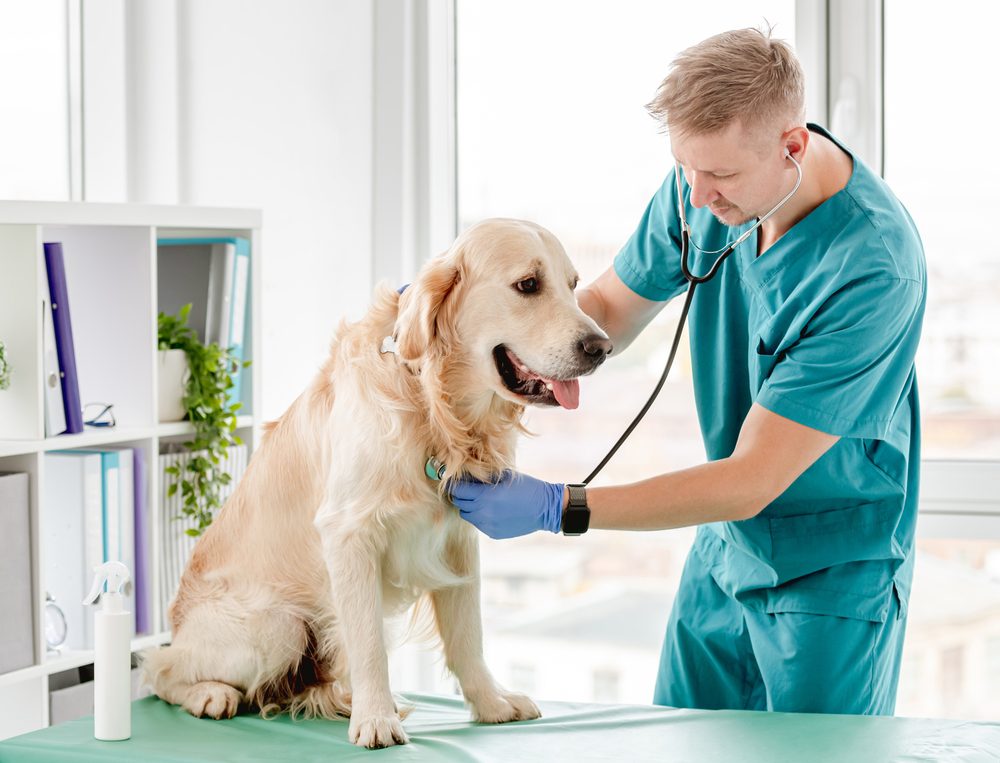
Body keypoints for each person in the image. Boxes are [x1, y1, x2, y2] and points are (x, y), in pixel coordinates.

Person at [449, 27, 926, 716]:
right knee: (680, 741)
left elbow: (750, 479)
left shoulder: (872, 267)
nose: (697, 197)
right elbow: (608, 307)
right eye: (685, 168)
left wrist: (561, 507)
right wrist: (491, 340)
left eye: (721, 177)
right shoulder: (702, 185)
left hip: (830, 574)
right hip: (725, 549)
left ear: (791, 147)